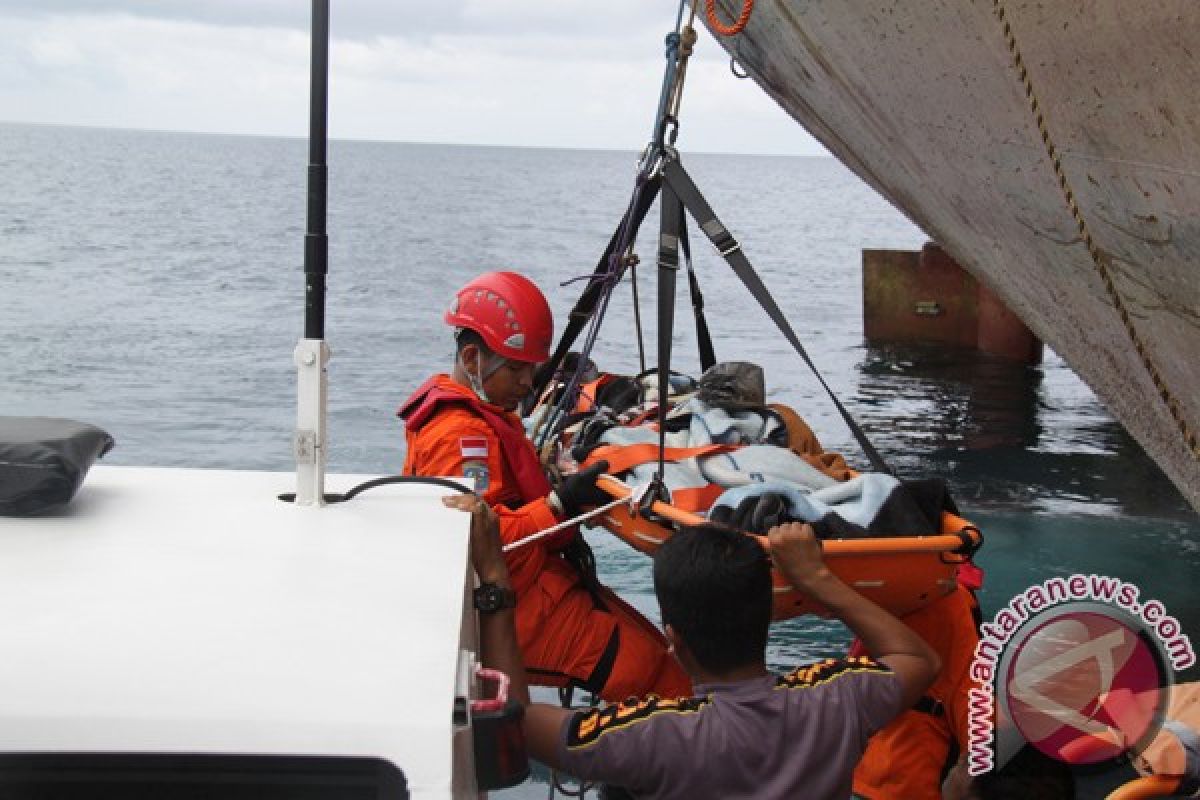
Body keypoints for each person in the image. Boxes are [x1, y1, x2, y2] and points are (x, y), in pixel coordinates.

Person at [445, 492, 941, 800]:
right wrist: (816, 578)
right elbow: (918, 658)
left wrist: (495, 576)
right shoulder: (834, 700)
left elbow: (511, 721)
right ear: (768, 616)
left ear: (673, 638)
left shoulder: (648, 737)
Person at [399, 271, 690, 701]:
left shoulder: (484, 415)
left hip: (542, 583)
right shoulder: (461, 436)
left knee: (664, 661)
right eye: (516, 368)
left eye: (531, 369)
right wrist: (559, 504)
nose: (527, 382)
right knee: (653, 676)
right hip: (519, 605)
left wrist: (557, 493)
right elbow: (477, 538)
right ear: (473, 358)